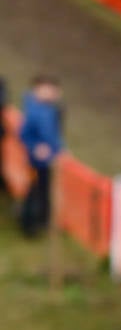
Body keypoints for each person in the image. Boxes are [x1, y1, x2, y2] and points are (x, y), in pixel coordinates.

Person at [18, 74, 62, 238]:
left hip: (47, 161)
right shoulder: (34, 110)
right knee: (34, 192)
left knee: (43, 191)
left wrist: (58, 149)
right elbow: (23, 134)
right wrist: (35, 147)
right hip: (36, 162)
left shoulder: (48, 109)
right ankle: (30, 225)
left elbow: (53, 134)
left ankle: (42, 221)